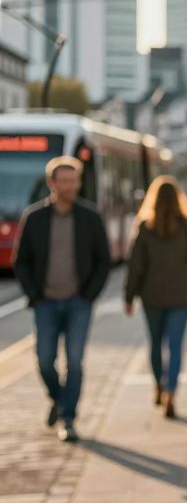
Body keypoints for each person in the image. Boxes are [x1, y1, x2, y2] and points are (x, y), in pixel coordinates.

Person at [12, 156, 111, 443]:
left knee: (76, 362)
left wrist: (90, 294)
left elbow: (103, 261)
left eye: (74, 181)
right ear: (52, 184)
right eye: (64, 181)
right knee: (44, 360)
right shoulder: (34, 218)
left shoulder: (90, 217)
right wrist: (35, 295)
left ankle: (68, 418)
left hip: (79, 302)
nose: (70, 187)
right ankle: (58, 399)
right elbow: (22, 262)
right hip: (46, 303)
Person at [124, 176, 187, 419]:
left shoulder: (145, 227)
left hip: (151, 296)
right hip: (181, 295)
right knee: (176, 346)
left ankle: (158, 385)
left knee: (155, 344)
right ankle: (171, 390)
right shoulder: (186, 225)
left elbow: (135, 266)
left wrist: (129, 297)